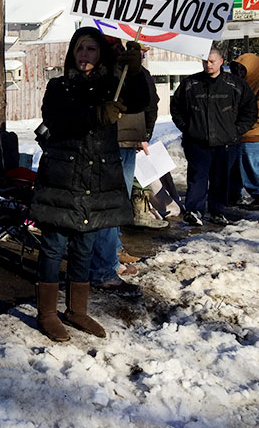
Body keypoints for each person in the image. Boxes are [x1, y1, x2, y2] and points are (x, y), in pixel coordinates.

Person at [30, 26, 149, 342]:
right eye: (80, 49)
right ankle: (47, 313)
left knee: (85, 246)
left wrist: (135, 71)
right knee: (54, 246)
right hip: (62, 178)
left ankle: (77, 311)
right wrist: (97, 116)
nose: (85, 55)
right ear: (72, 53)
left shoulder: (113, 86)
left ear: (101, 56)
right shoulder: (59, 87)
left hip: (97, 178)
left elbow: (140, 100)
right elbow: (57, 122)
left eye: (91, 50)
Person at [88, 38, 161, 297]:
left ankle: (111, 255)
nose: (117, 52)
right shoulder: (100, 74)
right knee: (109, 207)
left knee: (116, 205)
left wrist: (146, 133)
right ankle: (104, 268)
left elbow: (147, 101)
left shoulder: (135, 74)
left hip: (128, 140)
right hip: (106, 145)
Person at [171, 48, 257, 226]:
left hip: (225, 142)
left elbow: (249, 110)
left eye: (212, 61)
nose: (208, 65)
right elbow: (176, 107)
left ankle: (217, 211)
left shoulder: (235, 85)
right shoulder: (190, 83)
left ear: (221, 61)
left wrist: (237, 130)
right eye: (205, 61)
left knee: (220, 178)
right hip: (197, 141)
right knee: (197, 177)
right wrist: (188, 129)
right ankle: (194, 211)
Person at [231, 53, 259, 210]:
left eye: (244, 70)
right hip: (239, 132)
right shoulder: (240, 86)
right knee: (233, 165)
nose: (240, 73)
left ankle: (257, 193)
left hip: (253, 133)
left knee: (250, 166)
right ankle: (233, 194)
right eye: (239, 69)